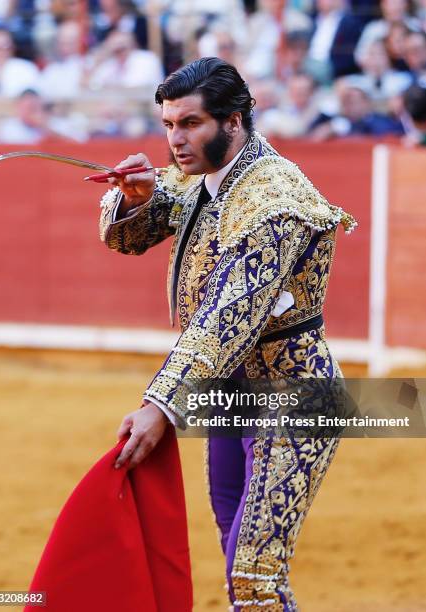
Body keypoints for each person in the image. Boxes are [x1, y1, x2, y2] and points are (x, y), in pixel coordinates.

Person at [98, 57, 357, 610]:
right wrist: (140, 198)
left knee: (254, 576)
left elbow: (227, 316)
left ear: (233, 121)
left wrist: (160, 403)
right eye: (169, 125)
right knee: (238, 559)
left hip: (296, 395)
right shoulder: (208, 179)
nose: (175, 141)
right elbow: (127, 236)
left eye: (190, 124)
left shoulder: (274, 197)